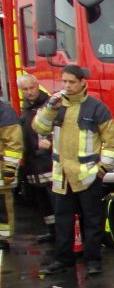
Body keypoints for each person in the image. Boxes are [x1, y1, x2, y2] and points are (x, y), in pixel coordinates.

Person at [34, 65, 114, 276]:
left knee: (91, 219)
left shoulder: (97, 108)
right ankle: (64, 259)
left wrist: (102, 169)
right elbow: (39, 128)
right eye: (64, 81)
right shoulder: (55, 104)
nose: (67, 86)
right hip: (62, 174)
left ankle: (93, 260)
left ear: (83, 82)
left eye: (71, 82)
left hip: (87, 173)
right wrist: (50, 109)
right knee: (62, 219)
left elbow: (112, 141)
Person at [17, 74, 55, 243]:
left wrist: (51, 143)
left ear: (37, 85)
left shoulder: (49, 106)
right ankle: (52, 231)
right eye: (24, 89)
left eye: (31, 88)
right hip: (33, 164)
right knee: (43, 202)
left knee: (56, 201)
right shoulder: (26, 109)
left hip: (49, 163)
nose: (29, 92)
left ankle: (64, 234)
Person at [0, 98, 21, 250]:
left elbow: (14, 143)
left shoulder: (4, 112)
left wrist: (9, 168)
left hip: (1, 170)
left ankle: (3, 238)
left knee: (2, 208)